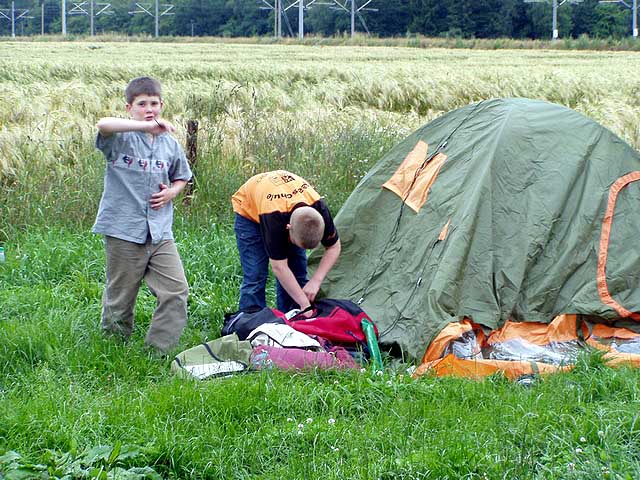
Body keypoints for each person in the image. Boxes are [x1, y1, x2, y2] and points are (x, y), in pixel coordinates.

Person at [93, 76, 192, 354]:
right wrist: (145, 126)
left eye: (154, 104)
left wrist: (173, 192)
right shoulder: (120, 139)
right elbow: (103, 125)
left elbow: (182, 176)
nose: (149, 109)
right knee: (121, 296)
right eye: (142, 104)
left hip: (160, 232)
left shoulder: (170, 145)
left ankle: (157, 352)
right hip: (124, 228)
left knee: (176, 291)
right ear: (129, 108)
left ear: (162, 104)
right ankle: (113, 350)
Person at [232, 170, 341, 314]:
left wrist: (316, 281)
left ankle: (293, 317)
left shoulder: (319, 210)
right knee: (256, 274)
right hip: (249, 212)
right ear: (288, 228)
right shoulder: (273, 219)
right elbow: (279, 267)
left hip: (284, 205)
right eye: (294, 242)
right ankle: (250, 320)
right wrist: (305, 304)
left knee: (297, 270)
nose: (291, 246)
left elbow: (334, 247)